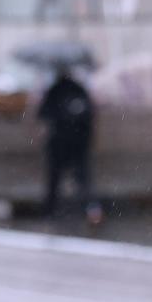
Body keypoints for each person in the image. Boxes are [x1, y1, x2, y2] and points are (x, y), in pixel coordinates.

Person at [37, 63, 96, 220]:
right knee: (81, 178)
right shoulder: (79, 90)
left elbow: (43, 113)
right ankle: (87, 209)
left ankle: (50, 211)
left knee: (55, 178)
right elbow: (90, 115)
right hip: (78, 143)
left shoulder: (54, 90)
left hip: (59, 142)